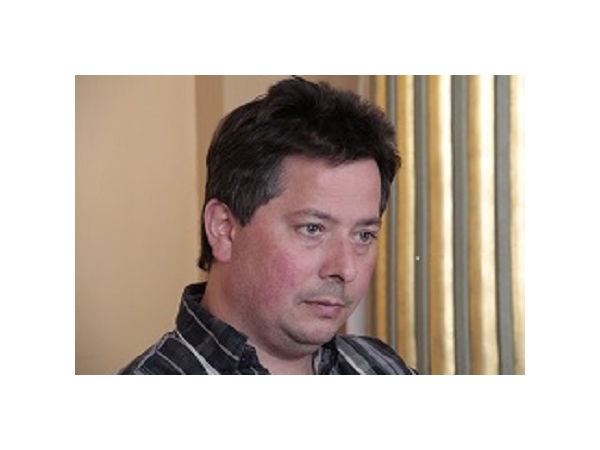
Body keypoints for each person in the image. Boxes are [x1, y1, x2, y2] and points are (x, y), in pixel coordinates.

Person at [119, 76, 416, 375]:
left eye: (364, 235)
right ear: (223, 229)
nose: (346, 269)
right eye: (312, 229)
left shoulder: (383, 367)